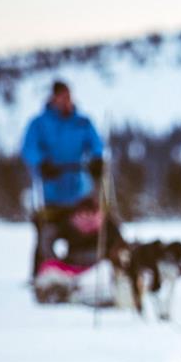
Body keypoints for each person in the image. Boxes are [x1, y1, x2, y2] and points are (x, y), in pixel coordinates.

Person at [20, 80, 106, 280]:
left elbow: (96, 144)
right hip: (50, 193)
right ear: (54, 98)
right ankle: (41, 274)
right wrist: (42, 163)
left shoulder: (82, 122)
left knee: (84, 231)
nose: (66, 101)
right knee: (46, 233)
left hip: (78, 191)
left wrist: (96, 159)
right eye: (62, 97)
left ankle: (79, 268)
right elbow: (29, 148)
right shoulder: (40, 124)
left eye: (68, 96)